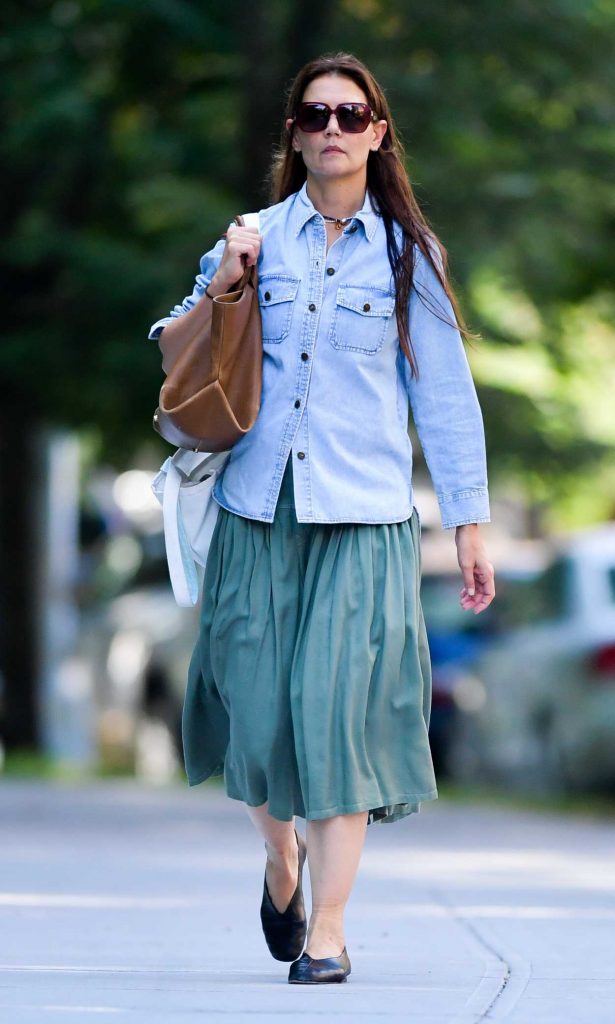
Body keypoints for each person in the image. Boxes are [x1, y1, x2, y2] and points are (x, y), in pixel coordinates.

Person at [148, 51, 495, 985]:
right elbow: (174, 352)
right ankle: (281, 861)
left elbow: (446, 397)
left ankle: (329, 932)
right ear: (293, 134)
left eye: (350, 115)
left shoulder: (405, 254)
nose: (332, 131)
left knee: (337, 719)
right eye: (314, 116)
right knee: (255, 715)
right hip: (257, 508)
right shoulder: (253, 236)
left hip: (364, 516)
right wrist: (225, 277)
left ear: (378, 132)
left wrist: (467, 523)